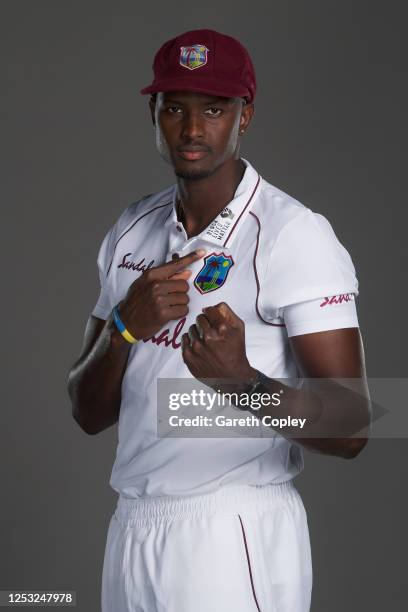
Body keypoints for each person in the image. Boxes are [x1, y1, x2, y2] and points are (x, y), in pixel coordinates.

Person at [67, 28, 370, 612]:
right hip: (132, 526)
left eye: (213, 108)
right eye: (174, 108)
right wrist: (125, 328)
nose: (191, 128)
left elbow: (353, 426)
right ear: (152, 114)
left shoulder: (292, 234)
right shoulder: (132, 228)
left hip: (231, 532)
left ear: (244, 115)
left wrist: (242, 383)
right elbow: (87, 411)